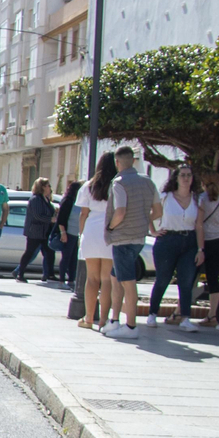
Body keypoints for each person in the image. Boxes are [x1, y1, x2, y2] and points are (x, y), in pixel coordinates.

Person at [101, 146, 162, 340]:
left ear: (117, 162)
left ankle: (131, 326)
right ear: (133, 161)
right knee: (115, 277)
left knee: (128, 282)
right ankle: (114, 320)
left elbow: (120, 212)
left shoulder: (119, 182)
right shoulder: (148, 182)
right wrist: (143, 220)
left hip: (122, 238)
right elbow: (158, 211)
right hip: (138, 238)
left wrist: (110, 227)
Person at [147, 165, 203, 328]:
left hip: (189, 241)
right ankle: (152, 314)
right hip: (168, 240)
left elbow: (199, 226)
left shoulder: (197, 199)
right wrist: (153, 231)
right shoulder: (165, 197)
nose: (186, 178)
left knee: (186, 281)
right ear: (176, 178)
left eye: (189, 175)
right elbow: (149, 215)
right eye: (182, 175)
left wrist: (200, 249)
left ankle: (185, 318)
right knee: (163, 279)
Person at [77, 153, 118, 331]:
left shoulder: (89, 186)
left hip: (91, 231)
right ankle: (103, 320)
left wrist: (81, 234)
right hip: (110, 231)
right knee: (107, 279)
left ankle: (88, 318)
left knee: (92, 278)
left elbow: (83, 214)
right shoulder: (117, 186)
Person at [192, 172, 219, 330]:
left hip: (203, 241)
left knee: (191, 276)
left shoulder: (201, 199)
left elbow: (198, 222)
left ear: (203, 183)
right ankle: (213, 315)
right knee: (213, 278)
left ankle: (181, 311)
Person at [13, 177, 57, 282]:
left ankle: (49, 274)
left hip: (45, 232)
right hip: (35, 231)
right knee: (30, 252)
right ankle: (20, 273)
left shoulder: (46, 199)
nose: (50, 188)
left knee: (50, 252)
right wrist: (50, 219)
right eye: (48, 186)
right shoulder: (36, 199)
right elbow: (37, 215)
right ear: (42, 187)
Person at [55, 179, 82, 287]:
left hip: (77, 234)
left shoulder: (79, 202)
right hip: (68, 233)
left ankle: (71, 280)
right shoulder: (68, 201)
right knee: (66, 257)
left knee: (74, 258)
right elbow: (61, 219)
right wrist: (63, 233)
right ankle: (61, 281)